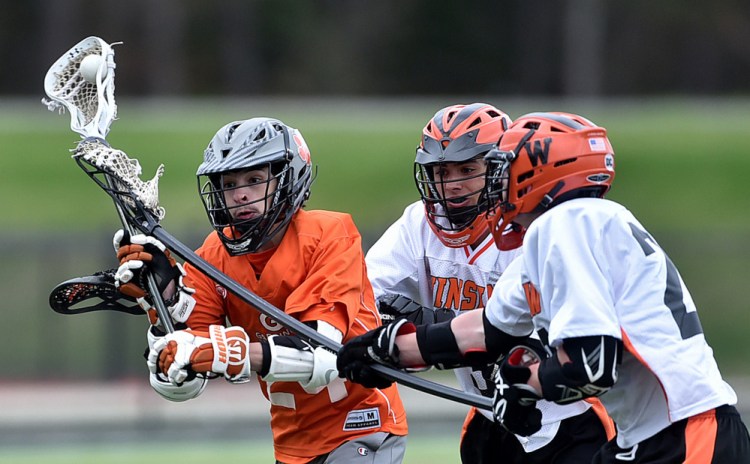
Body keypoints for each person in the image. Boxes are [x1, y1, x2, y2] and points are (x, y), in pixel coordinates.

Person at [337, 112, 750, 463]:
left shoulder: (567, 223)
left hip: (685, 433)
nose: (497, 184)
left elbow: (592, 365)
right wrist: (386, 348)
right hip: (647, 436)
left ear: (540, 173)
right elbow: (486, 330)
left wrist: (524, 387)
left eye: (504, 169)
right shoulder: (572, 227)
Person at [113, 117, 408, 464]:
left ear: (287, 180)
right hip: (291, 439)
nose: (240, 194)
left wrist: (231, 353)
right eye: (229, 183)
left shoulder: (329, 233)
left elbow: (323, 353)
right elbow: (183, 384)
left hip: (361, 422)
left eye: (254, 180)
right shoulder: (212, 256)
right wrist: (163, 301)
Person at [365, 103, 613, 463]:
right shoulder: (416, 224)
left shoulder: (531, 230)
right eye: (439, 171)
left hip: (565, 418)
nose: (451, 184)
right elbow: (362, 295)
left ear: (499, 169)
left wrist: (426, 325)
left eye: (467, 169)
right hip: (486, 417)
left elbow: (533, 336)